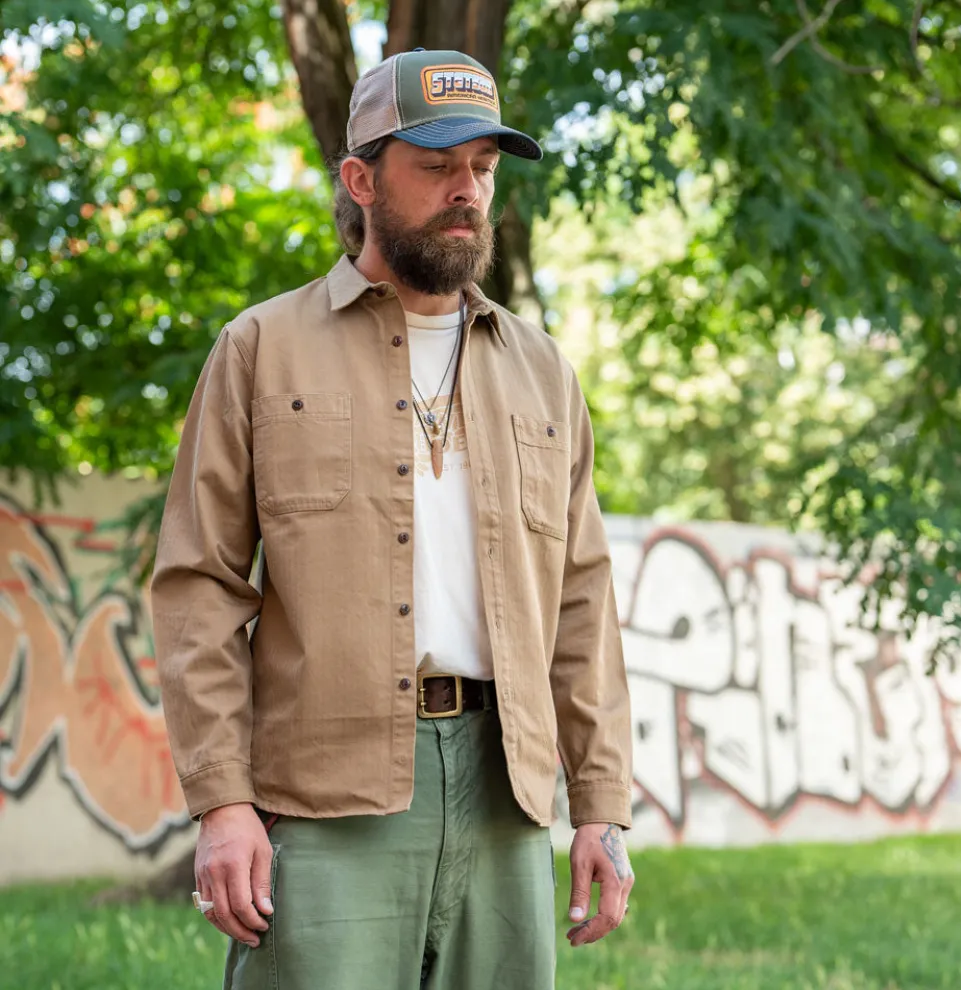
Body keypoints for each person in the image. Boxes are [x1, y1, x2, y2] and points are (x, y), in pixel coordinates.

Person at [151, 47, 633, 990]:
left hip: (507, 790)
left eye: (484, 169)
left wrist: (600, 802)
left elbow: (582, 598)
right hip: (327, 797)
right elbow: (198, 588)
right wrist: (222, 803)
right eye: (437, 165)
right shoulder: (261, 350)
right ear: (362, 178)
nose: (467, 191)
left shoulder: (542, 370)